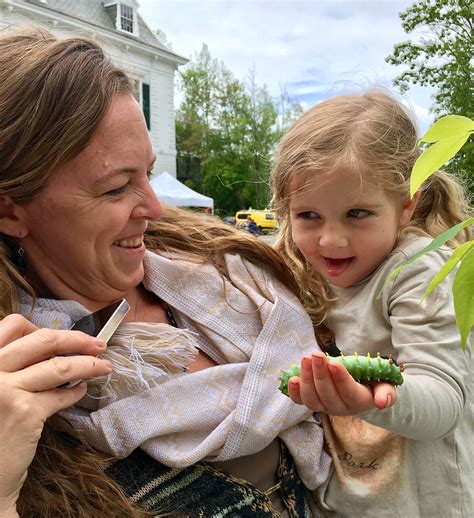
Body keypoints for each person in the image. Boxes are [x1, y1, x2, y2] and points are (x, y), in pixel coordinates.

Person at [0, 27, 342, 517]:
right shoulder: (18, 392)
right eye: (117, 188)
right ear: (10, 211)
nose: (156, 208)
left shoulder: (226, 277)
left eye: (147, 173)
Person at [270, 90, 473, 517]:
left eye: (357, 213)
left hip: (426, 504)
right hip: (347, 502)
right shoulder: (302, 275)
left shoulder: (417, 271)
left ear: (405, 207)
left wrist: (370, 401)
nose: (330, 240)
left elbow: (444, 402)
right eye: (308, 216)